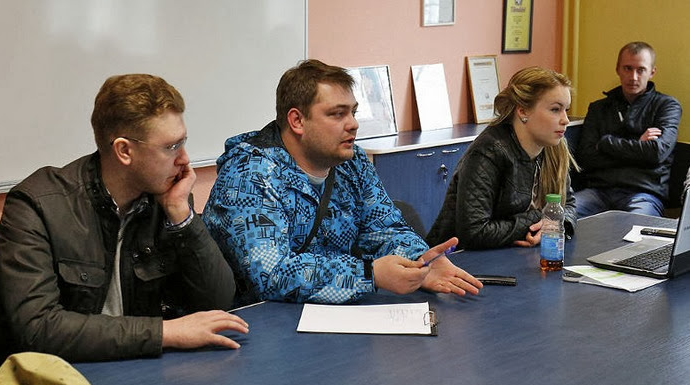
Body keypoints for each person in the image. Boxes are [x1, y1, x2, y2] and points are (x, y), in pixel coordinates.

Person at [0, 74, 248, 362]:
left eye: (183, 142)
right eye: (171, 147)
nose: (184, 159)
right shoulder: (35, 206)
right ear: (124, 151)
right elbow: (38, 328)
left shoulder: (167, 196)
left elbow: (218, 302)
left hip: (143, 367)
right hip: (66, 375)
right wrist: (164, 333)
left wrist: (182, 216)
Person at [203, 59, 482, 305]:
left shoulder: (352, 161)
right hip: (258, 325)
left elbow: (384, 228)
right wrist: (368, 275)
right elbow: (271, 274)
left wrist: (421, 262)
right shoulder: (249, 175)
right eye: (337, 114)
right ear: (297, 121)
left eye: (353, 112)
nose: (353, 124)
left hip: (329, 318)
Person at [426, 67, 577, 250]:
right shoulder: (489, 151)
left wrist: (555, 224)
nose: (565, 120)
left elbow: (568, 204)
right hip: (457, 259)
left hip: (517, 253)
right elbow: (474, 232)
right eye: (555, 109)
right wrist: (540, 218)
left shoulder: (555, 147)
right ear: (523, 111)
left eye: (566, 110)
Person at [574, 41, 682, 217]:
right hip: (599, 191)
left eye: (641, 70)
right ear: (618, 69)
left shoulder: (667, 106)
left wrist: (606, 143)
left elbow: (657, 152)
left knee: (638, 228)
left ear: (652, 72)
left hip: (644, 193)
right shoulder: (599, 108)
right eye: (627, 68)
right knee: (557, 219)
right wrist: (639, 145)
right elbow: (585, 157)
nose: (633, 77)